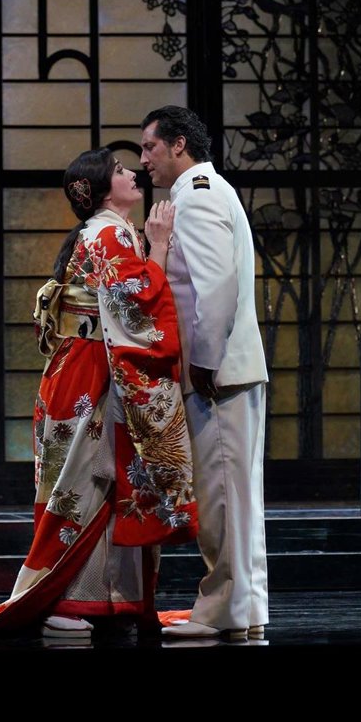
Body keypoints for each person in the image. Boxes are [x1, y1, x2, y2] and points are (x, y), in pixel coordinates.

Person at [0, 150, 197, 640]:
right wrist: (158, 246)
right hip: (91, 371)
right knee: (84, 485)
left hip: (88, 365)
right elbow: (135, 302)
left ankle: (108, 599)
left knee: (105, 485)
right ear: (102, 188)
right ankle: (62, 598)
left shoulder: (112, 230)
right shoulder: (108, 233)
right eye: (120, 170)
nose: (131, 173)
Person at [139, 105, 270, 642]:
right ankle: (242, 606)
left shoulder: (195, 196)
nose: (143, 159)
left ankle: (223, 609)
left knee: (223, 498)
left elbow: (215, 288)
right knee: (235, 497)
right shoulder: (206, 191)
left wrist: (204, 362)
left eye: (149, 146)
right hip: (225, 370)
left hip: (218, 374)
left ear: (178, 145)